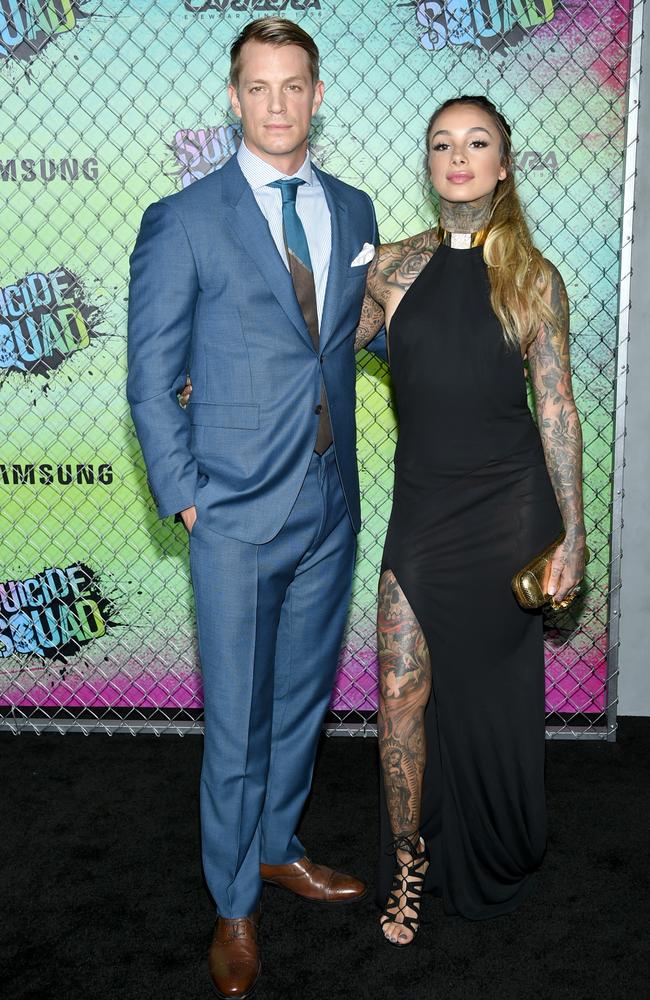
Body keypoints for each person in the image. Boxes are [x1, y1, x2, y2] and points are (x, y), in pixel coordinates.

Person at [127, 18, 384, 998]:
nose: (276, 103)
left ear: (317, 95)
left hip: (329, 506)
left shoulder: (354, 210)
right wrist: (188, 499)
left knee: (299, 702)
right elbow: (151, 382)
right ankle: (233, 902)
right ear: (233, 99)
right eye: (258, 87)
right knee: (233, 716)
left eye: (293, 85)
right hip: (231, 513)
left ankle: (278, 844)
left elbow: (356, 338)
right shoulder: (182, 219)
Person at [355, 95, 587, 946]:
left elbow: (556, 410)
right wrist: (227, 377)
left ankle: (493, 843)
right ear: (430, 162)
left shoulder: (534, 277)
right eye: (443, 143)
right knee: (396, 696)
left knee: (489, 700)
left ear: (503, 164)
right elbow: (316, 349)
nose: (459, 156)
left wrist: (575, 532)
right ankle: (410, 860)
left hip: (509, 507)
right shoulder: (389, 269)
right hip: (423, 508)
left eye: (477, 142)